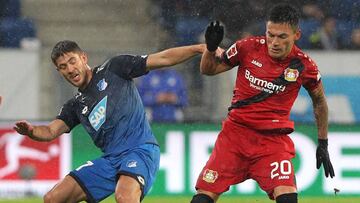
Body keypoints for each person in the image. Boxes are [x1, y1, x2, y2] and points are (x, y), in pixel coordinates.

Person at [13, 40, 204, 203]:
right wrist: (31, 131)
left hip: (140, 150)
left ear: (83, 58)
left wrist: (199, 48)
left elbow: (163, 58)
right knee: (53, 198)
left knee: (124, 197)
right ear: (59, 71)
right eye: (63, 67)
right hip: (110, 160)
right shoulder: (75, 106)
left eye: (72, 61)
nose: (70, 69)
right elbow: (50, 131)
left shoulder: (115, 68)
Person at [191, 4, 334, 203]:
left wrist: (323, 143)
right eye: (270, 34)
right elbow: (208, 70)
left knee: (288, 199)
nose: (274, 42)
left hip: (271, 142)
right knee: (202, 199)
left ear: (296, 35)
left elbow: (319, 102)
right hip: (234, 137)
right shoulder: (247, 47)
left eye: (282, 37)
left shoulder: (304, 66)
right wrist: (211, 48)